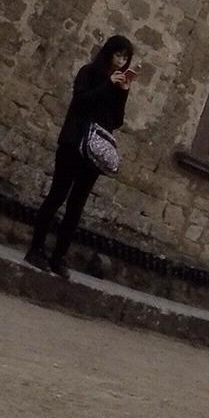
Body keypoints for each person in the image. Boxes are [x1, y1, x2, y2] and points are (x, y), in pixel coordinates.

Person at [26, 34, 134, 279]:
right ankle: (36, 248)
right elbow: (81, 100)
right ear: (109, 53)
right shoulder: (89, 73)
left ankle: (58, 256)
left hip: (93, 151)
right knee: (57, 195)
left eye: (125, 58)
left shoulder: (117, 86)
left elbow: (115, 121)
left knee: (77, 206)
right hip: (73, 143)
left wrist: (123, 92)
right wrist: (108, 84)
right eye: (118, 55)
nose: (121, 61)